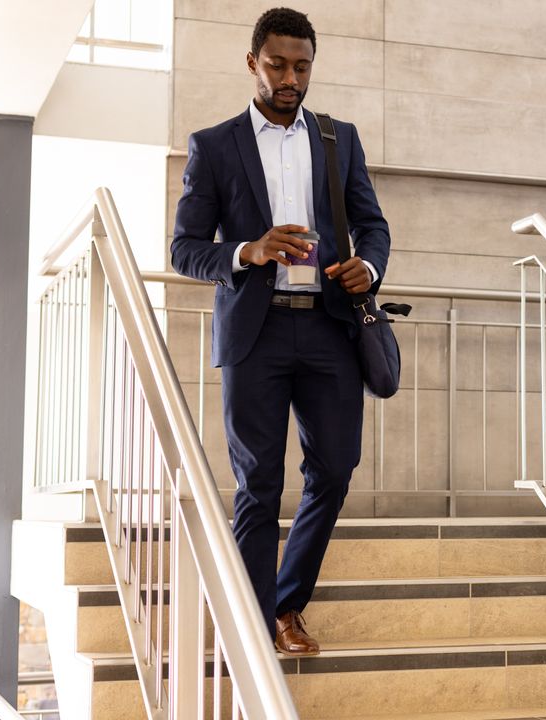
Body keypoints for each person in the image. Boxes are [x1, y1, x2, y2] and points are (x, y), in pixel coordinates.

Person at [170, 6, 390, 657]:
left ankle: (284, 604)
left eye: (302, 66)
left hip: (329, 330)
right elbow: (185, 249)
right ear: (252, 63)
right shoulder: (214, 145)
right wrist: (248, 251)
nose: (290, 77)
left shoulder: (337, 139)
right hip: (254, 335)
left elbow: (371, 223)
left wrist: (367, 266)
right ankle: (253, 621)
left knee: (335, 470)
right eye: (278, 64)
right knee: (258, 484)